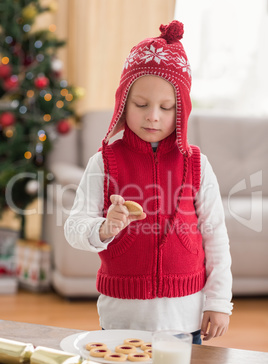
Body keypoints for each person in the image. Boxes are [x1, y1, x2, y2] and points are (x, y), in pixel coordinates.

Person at [64, 20, 233, 345]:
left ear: (181, 110)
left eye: (166, 107)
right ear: (123, 103)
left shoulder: (197, 164)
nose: (153, 115)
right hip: (122, 318)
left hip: (185, 318)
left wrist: (218, 302)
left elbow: (216, 237)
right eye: (141, 105)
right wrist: (104, 228)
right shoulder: (104, 162)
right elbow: (74, 227)